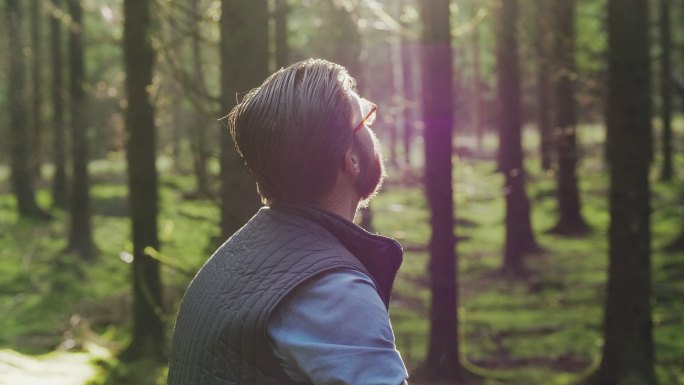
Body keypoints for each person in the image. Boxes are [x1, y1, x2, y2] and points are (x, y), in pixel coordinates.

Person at [167, 59, 408, 385]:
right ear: (349, 159)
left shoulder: (228, 261)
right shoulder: (333, 291)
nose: (371, 127)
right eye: (363, 118)